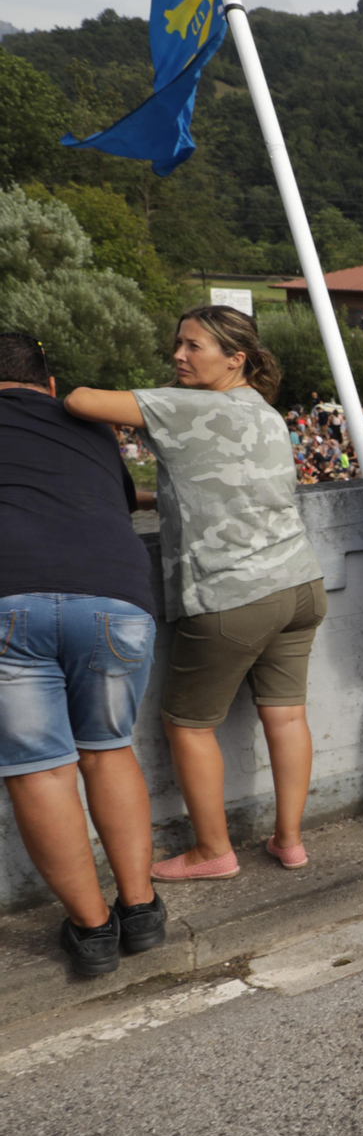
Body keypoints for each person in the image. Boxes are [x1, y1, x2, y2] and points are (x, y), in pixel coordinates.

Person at [65, 306, 326, 881]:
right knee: (285, 717)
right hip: (300, 582)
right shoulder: (263, 410)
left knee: (187, 723)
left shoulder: (183, 405)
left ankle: (214, 850)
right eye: (177, 344)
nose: (178, 356)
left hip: (232, 593)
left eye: (193, 347)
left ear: (235, 358)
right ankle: (290, 841)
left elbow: (80, 399)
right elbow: (230, 484)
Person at [0, 334, 164, 976]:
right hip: (114, 596)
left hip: (9, 598)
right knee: (108, 747)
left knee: (39, 766)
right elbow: (115, 502)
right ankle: (142, 909)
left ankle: (93, 931)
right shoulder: (87, 423)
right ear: (46, 381)